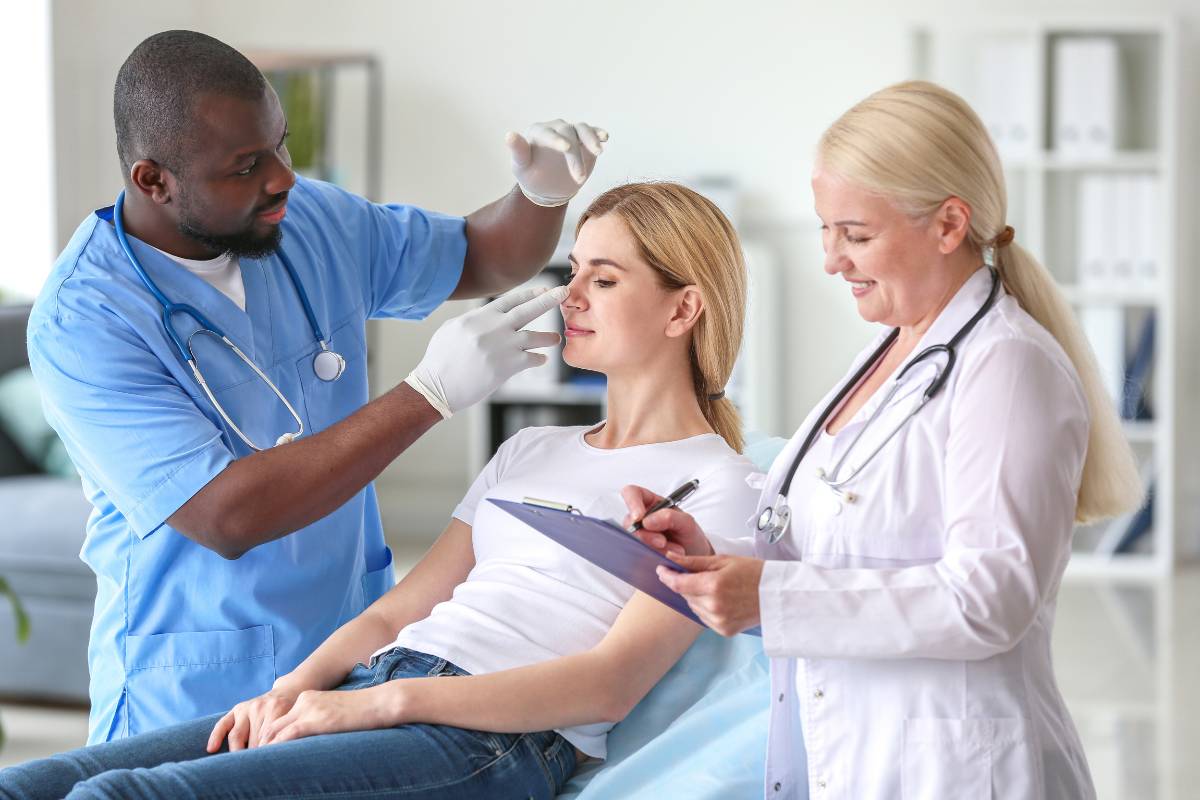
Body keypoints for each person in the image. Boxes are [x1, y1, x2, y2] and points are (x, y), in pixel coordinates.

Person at [1, 182, 761, 800]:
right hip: (383, 679)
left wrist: (375, 705)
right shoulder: (531, 448)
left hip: (490, 739)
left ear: (683, 308)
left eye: (605, 279)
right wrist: (295, 689)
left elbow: (608, 686)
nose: (571, 297)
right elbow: (401, 610)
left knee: (122, 797)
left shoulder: (718, 487)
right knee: (35, 785)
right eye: (574, 272)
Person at [26, 29, 608, 743]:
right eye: (246, 166)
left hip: (342, 657)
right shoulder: (85, 319)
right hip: (192, 686)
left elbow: (483, 256)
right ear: (154, 181)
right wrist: (427, 395)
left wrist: (539, 195)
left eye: (282, 145)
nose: (282, 179)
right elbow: (226, 516)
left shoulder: (308, 222)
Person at [622, 81, 1143, 799]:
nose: (832, 260)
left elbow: (989, 600)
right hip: (856, 752)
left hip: (957, 771)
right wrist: (715, 557)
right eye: (825, 229)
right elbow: (851, 544)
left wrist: (772, 598)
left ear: (949, 224)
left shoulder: (1007, 366)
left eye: (857, 235)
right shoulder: (895, 351)